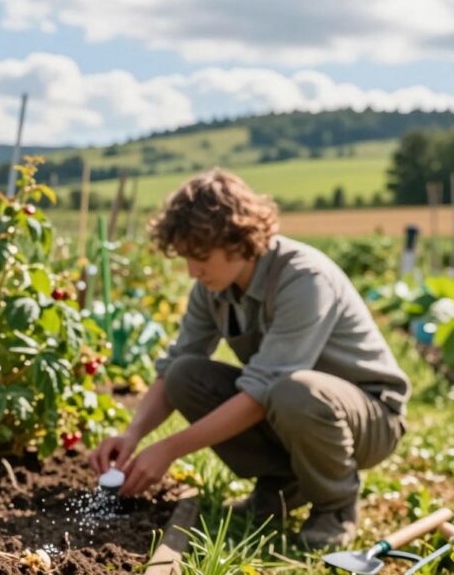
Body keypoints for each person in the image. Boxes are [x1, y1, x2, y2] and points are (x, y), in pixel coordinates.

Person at [88, 169, 409, 548]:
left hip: (370, 418)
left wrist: (169, 449)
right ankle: (281, 489)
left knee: (294, 391)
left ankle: (335, 508)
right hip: (292, 407)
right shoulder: (213, 288)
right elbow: (177, 361)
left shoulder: (304, 278)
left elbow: (263, 391)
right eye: (187, 258)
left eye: (201, 257)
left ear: (239, 240)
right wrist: (132, 435)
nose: (193, 271)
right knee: (183, 375)